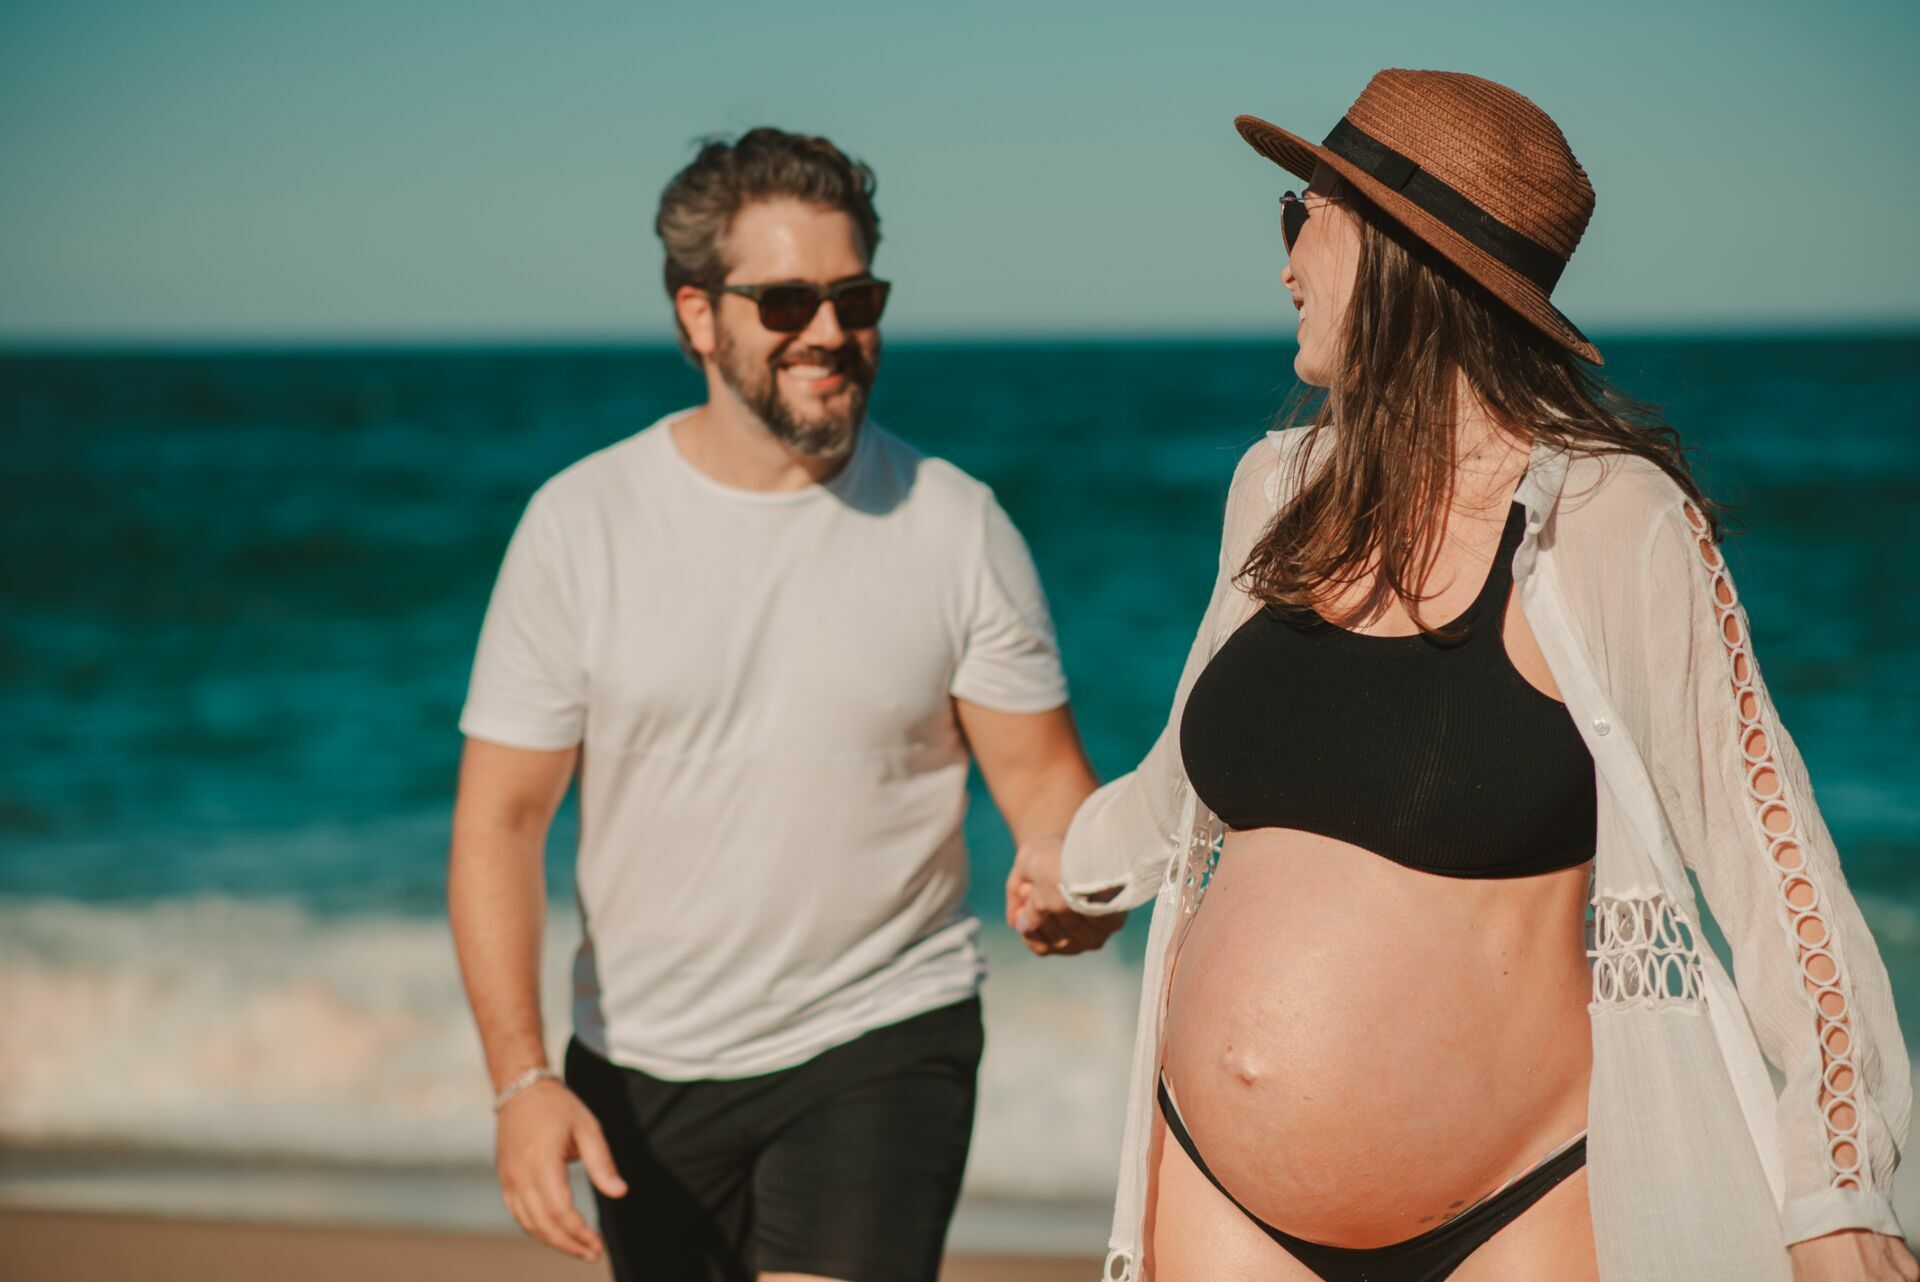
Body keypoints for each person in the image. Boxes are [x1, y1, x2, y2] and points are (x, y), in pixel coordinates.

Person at [1007, 70, 1913, 1282]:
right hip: (1218, 1195)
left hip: (1514, 1207)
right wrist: (1075, 869)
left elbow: (1774, 865)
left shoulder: (1602, 520)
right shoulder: (1275, 490)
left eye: (1301, 221)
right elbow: (1189, 775)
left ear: (1390, 249)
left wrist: (1838, 1189)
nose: (1282, 267)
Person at [447, 126, 1119, 1282]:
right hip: (640, 1061)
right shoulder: (580, 526)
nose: (830, 332)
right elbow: (501, 822)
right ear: (697, 316)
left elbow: (1050, 789)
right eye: (789, 301)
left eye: (856, 297)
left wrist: (1081, 885)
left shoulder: (956, 526)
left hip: (881, 1032)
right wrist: (522, 1080)